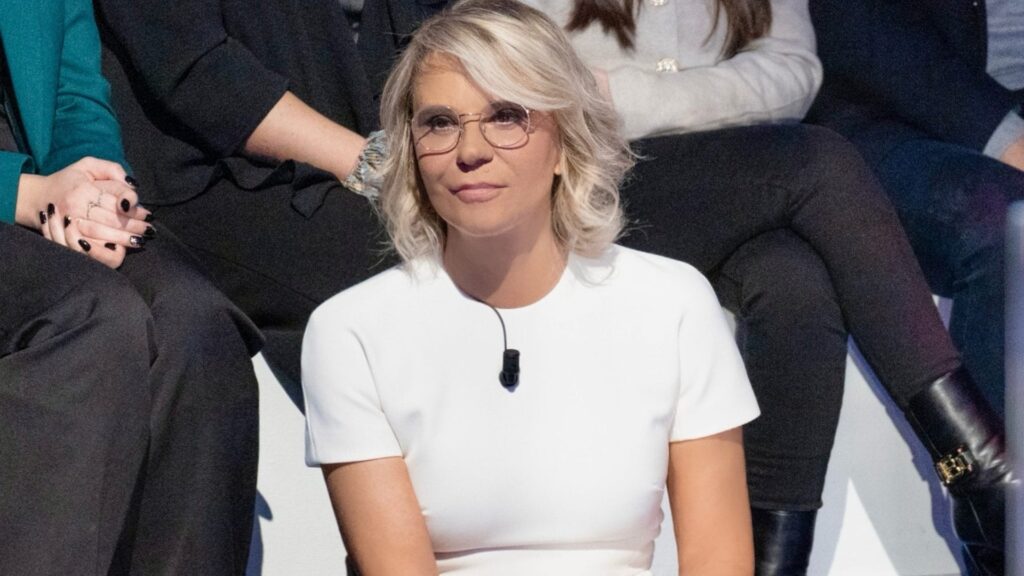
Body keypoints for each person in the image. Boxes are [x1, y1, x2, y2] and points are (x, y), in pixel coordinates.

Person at [512, 0, 1015, 574]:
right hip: (583, 182)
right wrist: (709, 97)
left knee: (794, 281)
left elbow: (793, 73)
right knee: (822, 161)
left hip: (725, 175)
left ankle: (769, 565)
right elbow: (527, 83)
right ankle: (985, 480)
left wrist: (629, 95)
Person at [301, 1, 761, 573]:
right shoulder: (351, 331)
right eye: (439, 123)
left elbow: (719, 560)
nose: (470, 151)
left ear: (565, 142)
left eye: (506, 116)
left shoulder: (673, 303)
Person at [0, 0, 262, 574]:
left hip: (48, 189)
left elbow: (74, 94)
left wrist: (98, 189)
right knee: (94, 317)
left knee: (194, 322)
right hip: (23, 195)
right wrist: (22, 193)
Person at [93, 0, 389, 387]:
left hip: (366, 134)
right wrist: (384, 168)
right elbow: (198, 71)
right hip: (199, 170)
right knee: (405, 277)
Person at [807, 0, 1024, 423]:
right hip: (889, 112)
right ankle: (993, 462)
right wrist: (1007, 140)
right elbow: (868, 33)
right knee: (1008, 224)